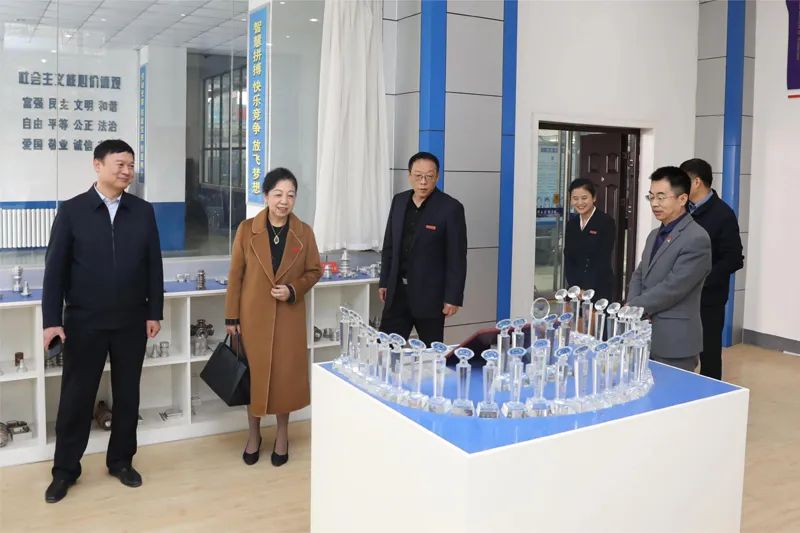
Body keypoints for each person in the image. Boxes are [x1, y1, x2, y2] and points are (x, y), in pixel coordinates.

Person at [41, 139, 164, 503]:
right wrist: (52, 320)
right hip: (84, 321)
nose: (127, 171)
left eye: (131, 165)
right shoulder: (73, 211)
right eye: (119, 164)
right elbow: (54, 270)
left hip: (131, 320)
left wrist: (154, 311)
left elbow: (153, 265)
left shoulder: (142, 211)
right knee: (76, 397)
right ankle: (65, 470)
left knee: (128, 395)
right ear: (97, 165)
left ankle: (121, 461)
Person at [224, 167, 322, 468]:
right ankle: (253, 434)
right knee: (252, 378)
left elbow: (314, 271)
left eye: (290, 195)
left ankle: (282, 435)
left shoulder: (304, 232)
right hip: (253, 316)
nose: (284, 201)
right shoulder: (247, 230)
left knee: (285, 380)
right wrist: (231, 317)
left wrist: (293, 289)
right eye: (278, 194)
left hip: (289, 317)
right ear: (266, 195)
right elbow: (236, 275)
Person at [378, 152, 467, 346]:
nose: (423, 182)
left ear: (437, 176)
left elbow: (457, 257)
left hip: (431, 297)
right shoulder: (399, 201)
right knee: (386, 349)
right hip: (397, 293)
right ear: (409, 175)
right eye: (418, 176)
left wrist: (453, 297)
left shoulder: (450, 208)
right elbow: (389, 245)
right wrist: (384, 281)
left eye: (429, 176)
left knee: (431, 352)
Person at [627, 166, 711, 371]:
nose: (654, 203)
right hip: (642, 334)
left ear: (682, 199)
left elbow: (674, 287)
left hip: (675, 340)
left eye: (661, 197)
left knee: (672, 390)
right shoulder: (653, 235)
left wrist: (633, 307)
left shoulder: (696, 238)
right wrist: (631, 307)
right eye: (651, 197)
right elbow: (640, 274)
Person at [680, 158, 744, 380]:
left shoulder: (723, 214)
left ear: (696, 182)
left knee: (709, 354)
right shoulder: (682, 210)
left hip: (708, 298)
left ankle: (711, 394)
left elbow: (734, 258)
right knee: (678, 349)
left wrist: (702, 279)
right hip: (679, 295)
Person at [563, 178, 616, 303]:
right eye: (575, 198)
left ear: (594, 198)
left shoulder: (606, 222)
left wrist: (586, 289)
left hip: (599, 288)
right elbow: (568, 258)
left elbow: (602, 258)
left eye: (584, 198)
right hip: (575, 291)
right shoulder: (572, 224)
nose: (580, 203)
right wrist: (575, 288)